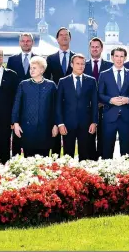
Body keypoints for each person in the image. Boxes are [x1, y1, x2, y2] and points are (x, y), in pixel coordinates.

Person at [12, 57, 59, 157]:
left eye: (34, 68)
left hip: (46, 129)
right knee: (28, 161)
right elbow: (17, 105)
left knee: (44, 162)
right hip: (27, 129)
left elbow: (56, 107)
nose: (31, 70)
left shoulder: (51, 85)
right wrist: (15, 123)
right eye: (30, 68)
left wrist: (56, 124)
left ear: (42, 70)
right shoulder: (23, 84)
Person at [98, 47, 129, 159]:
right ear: (112, 57)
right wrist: (110, 100)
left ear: (125, 58)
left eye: (121, 56)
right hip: (109, 117)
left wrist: (128, 99)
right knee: (107, 149)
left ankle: (127, 175)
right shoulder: (104, 74)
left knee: (127, 151)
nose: (119, 59)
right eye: (116, 56)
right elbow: (100, 94)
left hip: (126, 117)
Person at [56, 54, 99, 161]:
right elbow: (58, 104)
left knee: (85, 155)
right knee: (67, 155)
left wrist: (94, 122)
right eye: (77, 64)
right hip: (68, 123)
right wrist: (60, 123)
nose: (80, 66)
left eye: (82, 64)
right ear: (72, 64)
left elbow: (94, 103)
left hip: (86, 124)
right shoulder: (63, 81)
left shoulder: (91, 81)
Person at [6, 33, 38, 156]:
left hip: (34, 102)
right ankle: (16, 161)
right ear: (19, 43)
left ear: (32, 43)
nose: (25, 43)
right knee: (16, 136)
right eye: (23, 41)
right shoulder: (12, 60)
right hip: (17, 101)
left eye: (28, 41)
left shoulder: (39, 59)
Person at [44, 27, 74, 156]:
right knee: (55, 132)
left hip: (72, 102)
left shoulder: (76, 58)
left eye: (66, 35)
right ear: (57, 39)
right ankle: (55, 161)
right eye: (61, 35)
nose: (64, 37)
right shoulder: (50, 59)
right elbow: (46, 79)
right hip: (55, 100)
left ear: (70, 38)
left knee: (70, 135)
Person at [86, 37, 113, 158]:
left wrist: (103, 101)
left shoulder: (110, 66)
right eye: (92, 46)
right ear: (89, 48)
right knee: (88, 138)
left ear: (102, 48)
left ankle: (103, 164)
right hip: (87, 108)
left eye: (97, 47)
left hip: (105, 107)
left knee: (104, 138)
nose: (95, 49)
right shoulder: (82, 65)